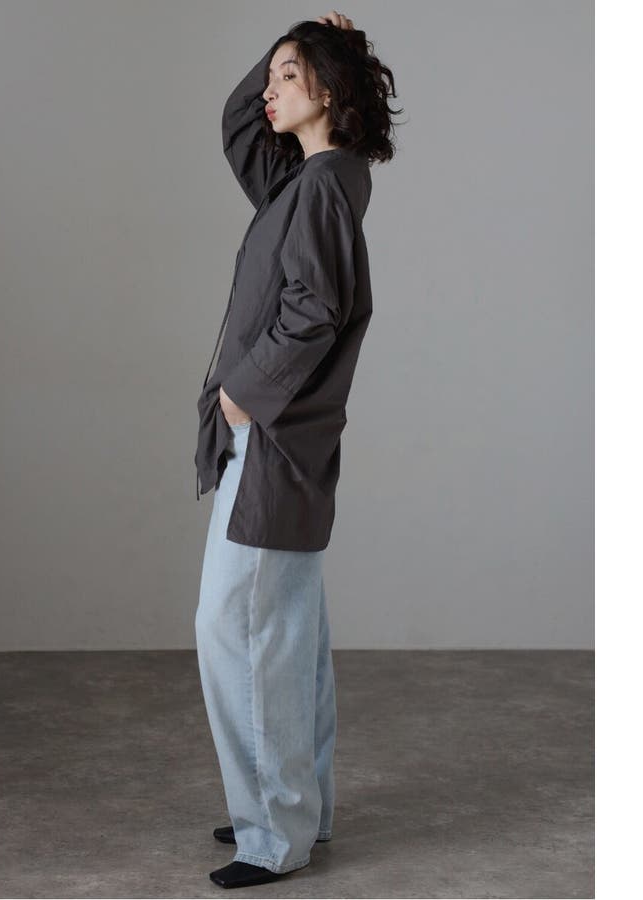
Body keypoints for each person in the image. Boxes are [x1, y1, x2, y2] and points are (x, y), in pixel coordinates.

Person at [193, 10, 400, 889]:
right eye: (272, 74)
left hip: (273, 444)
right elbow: (241, 124)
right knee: (287, 634)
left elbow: (312, 312)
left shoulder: (318, 189)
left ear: (329, 90)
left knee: (239, 631)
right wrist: (299, 37)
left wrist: (241, 395)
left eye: (289, 74)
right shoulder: (308, 180)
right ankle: (296, 810)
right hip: (286, 445)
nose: (270, 90)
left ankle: (274, 832)